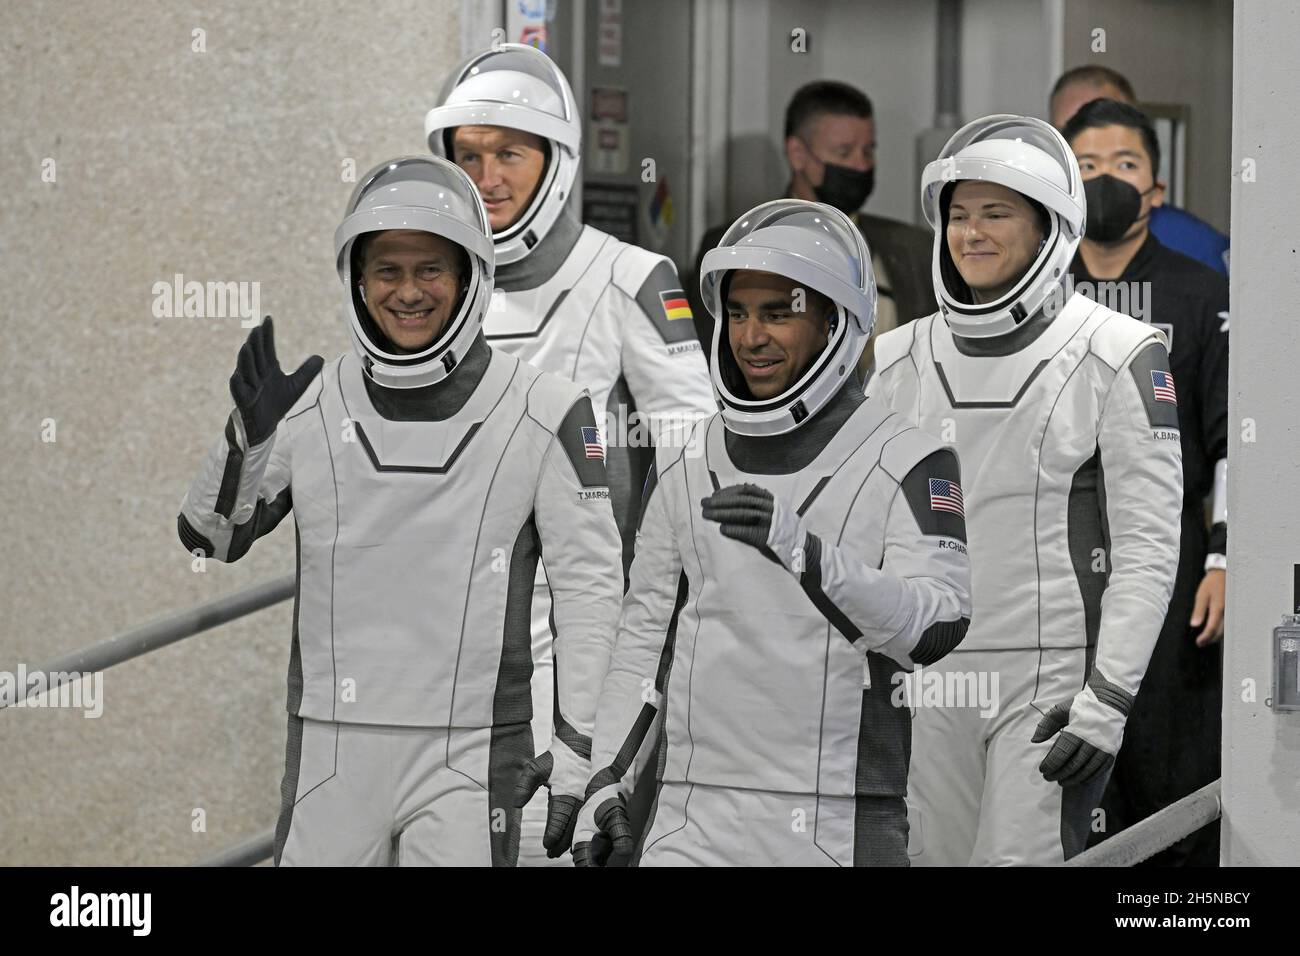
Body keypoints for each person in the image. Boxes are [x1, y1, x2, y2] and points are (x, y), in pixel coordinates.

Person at [176, 156, 624, 866]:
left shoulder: (550, 410)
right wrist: (246, 439)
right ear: (358, 279)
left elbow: (593, 598)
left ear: (471, 276)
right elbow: (210, 536)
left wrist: (580, 758)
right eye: (387, 271)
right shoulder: (311, 402)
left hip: (473, 755)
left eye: (430, 271)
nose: (407, 293)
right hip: (331, 748)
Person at [572, 199, 972, 867]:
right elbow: (643, 640)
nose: (750, 336)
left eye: (778, 312)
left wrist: (810, 556)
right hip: (688, 819)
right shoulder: (683, 457)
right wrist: (604, 781)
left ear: (833, 321)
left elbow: (937, 627)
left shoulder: (909, 458)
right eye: (736, 312)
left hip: (837, 817)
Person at [424, 45, 716, 865]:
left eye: (509, 153)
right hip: (453, 630)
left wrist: (661, 636)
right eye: (469, 155)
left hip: (585, 631)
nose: (487, 175)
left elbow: (694, 467)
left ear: (554, 159)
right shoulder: (431, 287)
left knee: (565, 847)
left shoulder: (630, 278)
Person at [867, 115, 1184, 865]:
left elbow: (1146, 544)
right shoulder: (894, 357)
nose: (970, 233)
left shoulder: (1120, 351)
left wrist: (1108, 698)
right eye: (958, 213)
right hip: (925, 678)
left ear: (1051, 228)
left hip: (1049, 687)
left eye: (996, 213)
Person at [1063, 98, 1228, 865]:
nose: (1107, 181)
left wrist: (1224, 560)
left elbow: (1234, 443)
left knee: (1168, 771)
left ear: (1157, 190)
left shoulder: (1203, 294)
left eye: (1125, 166)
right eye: (1088, 166)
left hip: (1173, 556)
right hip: (1054, 550)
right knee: (1060, 770)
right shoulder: (1034, 296)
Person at [691, 80, 937, 371]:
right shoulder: (735, 246)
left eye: (868, 151)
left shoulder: (916, 249)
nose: (861, 166)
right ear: (798, 154)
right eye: (844, 153)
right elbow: (715, 364)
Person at [1049, 64, 1230, 275]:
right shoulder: (1034, 237)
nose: (1090, 142)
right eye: (1068, 131)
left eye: (1106, 124)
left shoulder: (1198, 248)